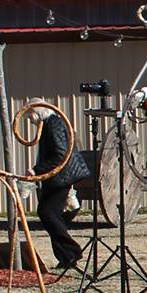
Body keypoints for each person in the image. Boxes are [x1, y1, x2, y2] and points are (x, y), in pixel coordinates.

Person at [32, 108, 89, 271]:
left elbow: (59, 155)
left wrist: (37, 169)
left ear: (37, 113)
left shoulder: (53, 124)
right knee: (51, 214)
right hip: (56, 178)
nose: (30, 121)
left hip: (61, 177)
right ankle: (66, 257)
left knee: (47, 213)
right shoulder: (49, 125)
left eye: (30, 116)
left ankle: (72, 251)